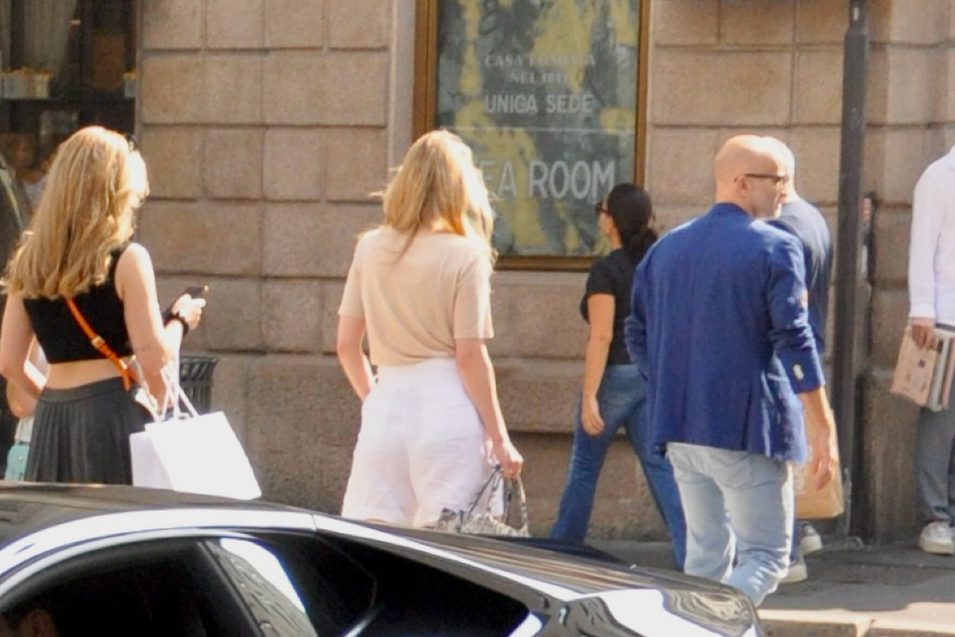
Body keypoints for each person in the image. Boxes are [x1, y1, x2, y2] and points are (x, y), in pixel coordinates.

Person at [625, 135, 838, 604]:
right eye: (777, 180)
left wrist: (667, 384)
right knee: (765, 558)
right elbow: (795, 339)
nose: (785, 191)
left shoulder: (667, 249)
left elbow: (635, 332)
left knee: (704, 561)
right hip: (747, 429)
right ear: (742, 183)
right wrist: (823, 424)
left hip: (680, 427)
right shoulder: (775, 247)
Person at [336, 130, 522, 528]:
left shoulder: (369, 248)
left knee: (375, 545)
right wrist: (499, 436)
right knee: (449, 552)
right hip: (446, 409)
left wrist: (374, 398)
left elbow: (346, 345)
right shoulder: (465, 253)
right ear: (460, 188)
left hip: (385, 408)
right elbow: (470, 356)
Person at [0, 127, 201, 485]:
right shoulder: (128, 259)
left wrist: (51, 400)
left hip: (51, 415)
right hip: (110, 411)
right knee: (116, 530)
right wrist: (180, 321)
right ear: (119, 189)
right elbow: (155, 361)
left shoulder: (30, 260)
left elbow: (11, 363)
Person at [549, 183, 685, 561]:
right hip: (649, 375)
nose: (600, 217)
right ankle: (695, 554)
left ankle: (562, 550)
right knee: (660, 467)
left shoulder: (606, 271)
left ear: (613, 222)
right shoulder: (659, 263)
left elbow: (602, 335)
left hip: (614, 376)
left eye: (602, 210)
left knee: (585, 466)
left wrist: (591, 395)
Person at [768, 141, 834, 576]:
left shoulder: (784, 229)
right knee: (796, 451)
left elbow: (788, 309)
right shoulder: (811, 216)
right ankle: (804, 530)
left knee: (782, 455)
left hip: (787, 355)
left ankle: (788, 551)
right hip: (807, 349)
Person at [907, 135, 955, 554]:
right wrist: (921, 308)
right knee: (940, 423)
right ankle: (935, 517)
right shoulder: (939, 177)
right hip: (945, 318)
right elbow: (922, 245)